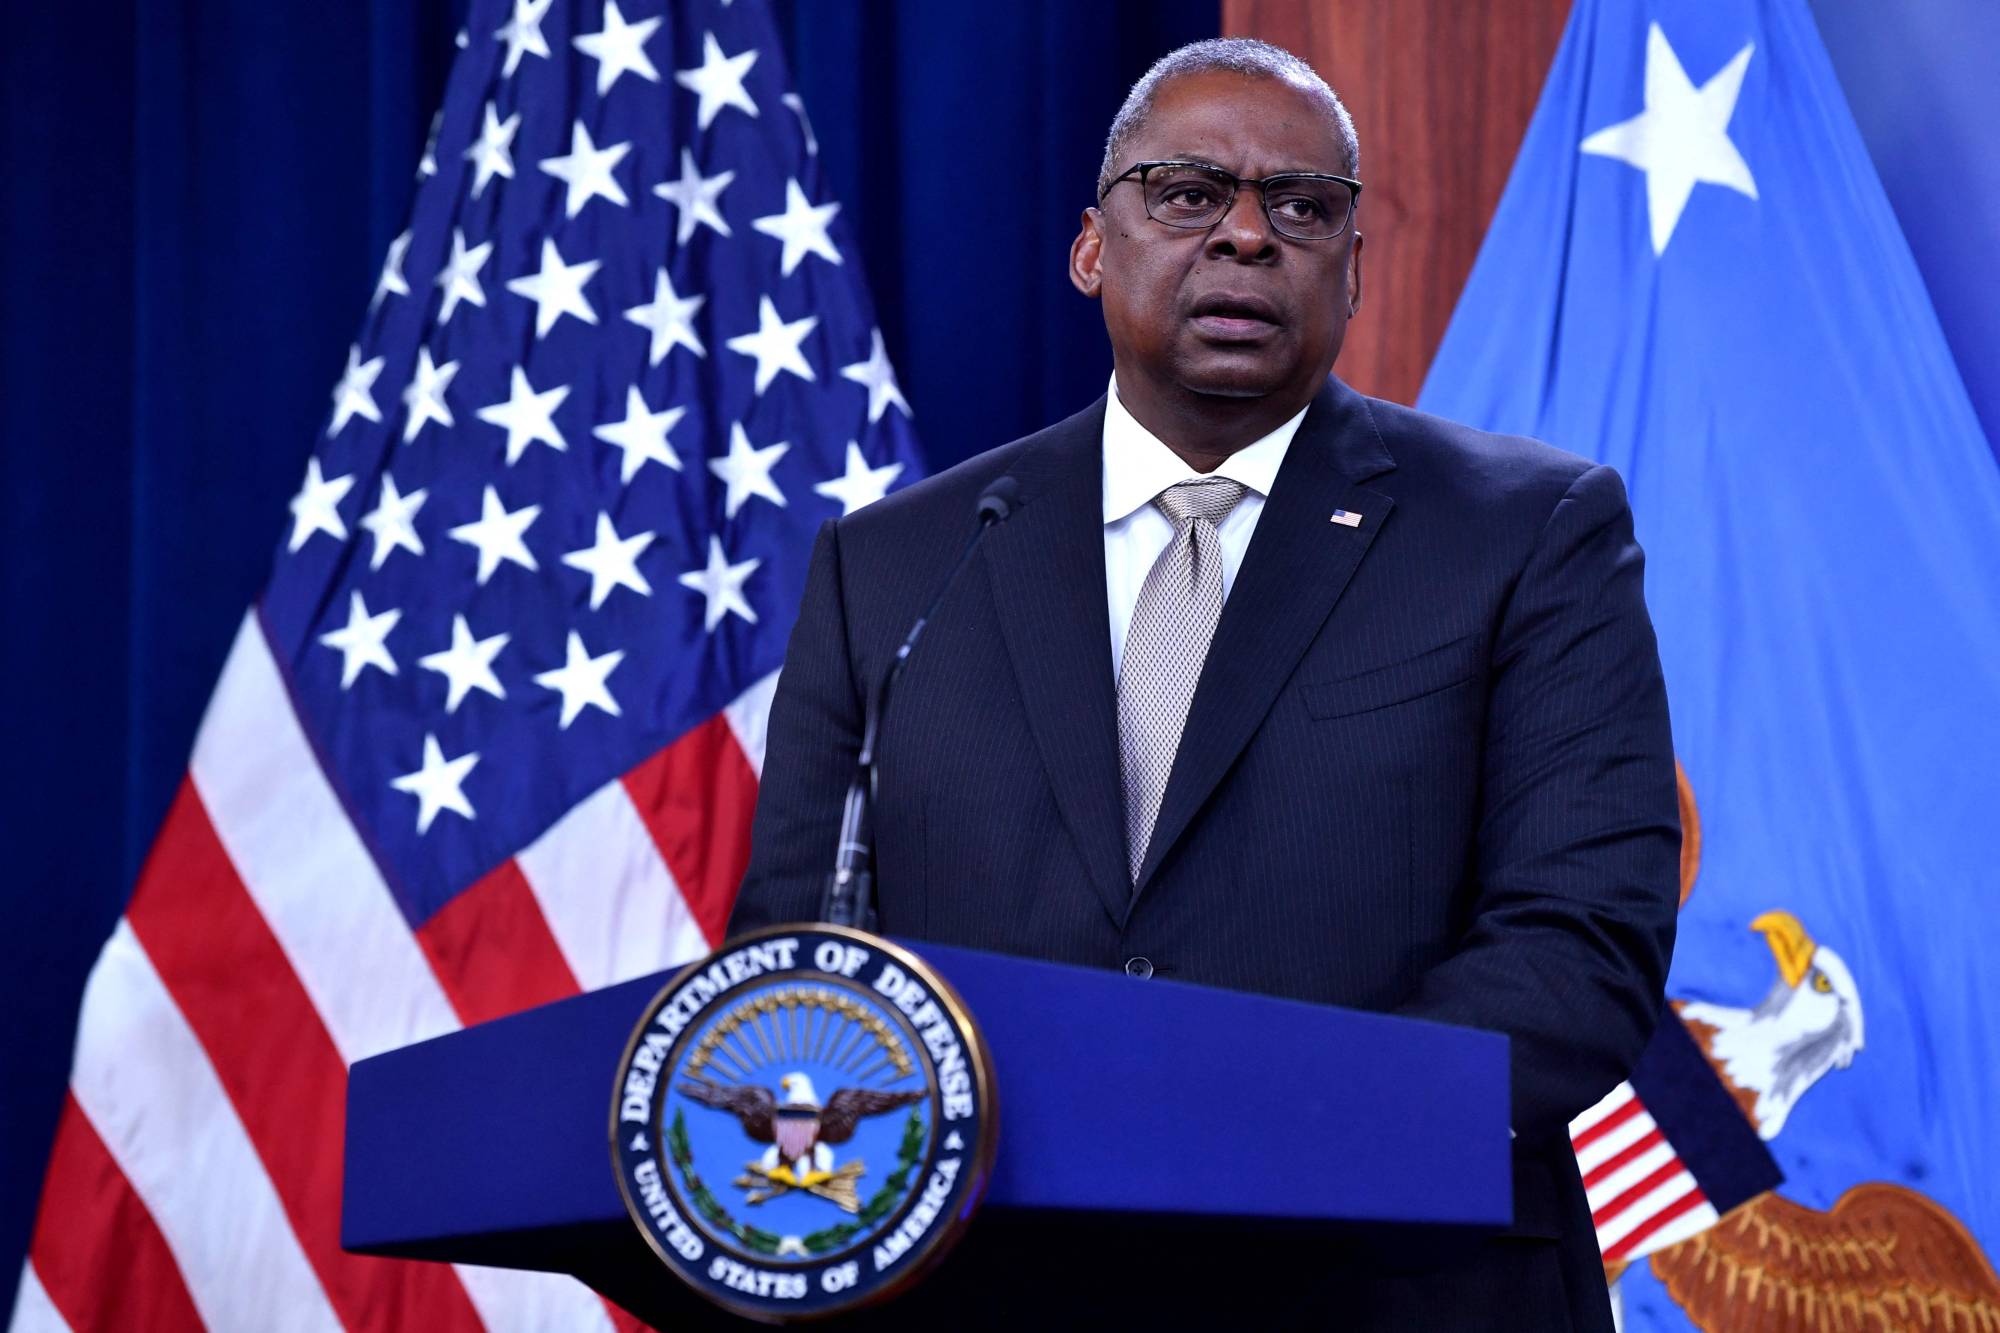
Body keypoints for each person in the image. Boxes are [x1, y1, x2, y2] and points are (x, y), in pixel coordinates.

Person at [731, 36, 1678, 1331]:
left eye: (1303, 206)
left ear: (1354, 266)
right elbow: (795, 966)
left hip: (1389, 1289)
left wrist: (1240, 1130)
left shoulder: (1526, 534)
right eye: (1187, 192)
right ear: (1089, 249)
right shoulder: (899, 566)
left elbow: (1581, 948)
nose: (1246, 235)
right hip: (987, 1295)